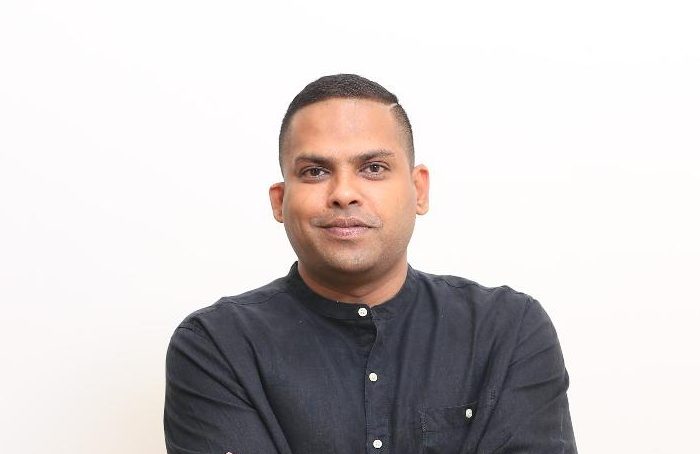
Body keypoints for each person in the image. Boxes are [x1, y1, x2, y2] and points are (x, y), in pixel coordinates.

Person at [163, 74, 577, 453]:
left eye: (373, 168)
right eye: (315, 171)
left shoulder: (507, 331)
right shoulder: (217, 346)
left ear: (418, 190)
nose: (344, 193)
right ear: (280, 200)